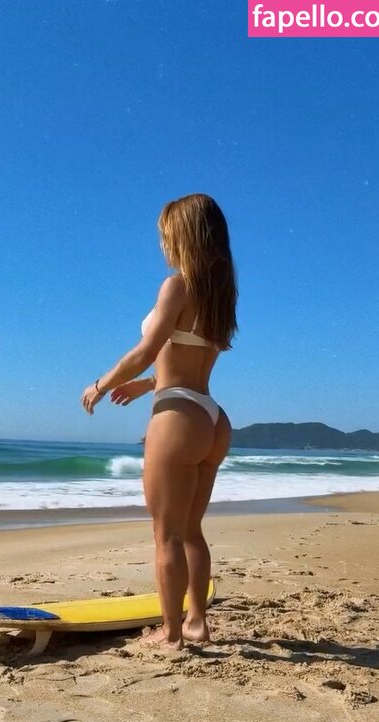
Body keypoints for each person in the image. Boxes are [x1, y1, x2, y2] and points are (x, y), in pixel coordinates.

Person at [81, 193, 237, 649]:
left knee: (166, 534)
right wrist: (147, 385)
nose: (163, 243)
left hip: (178, 419)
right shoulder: (219, 294)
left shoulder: (177, 286)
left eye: (167, 234)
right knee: (191, 530)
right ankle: (197, 622)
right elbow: (189, 358)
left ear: (183, 235)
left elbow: (146, 351)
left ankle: (170, 633)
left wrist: (101, 383)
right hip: (211, 418)